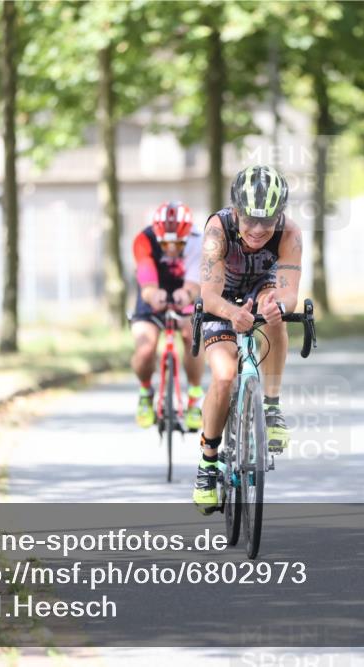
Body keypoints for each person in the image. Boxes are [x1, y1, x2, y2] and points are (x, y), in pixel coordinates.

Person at [192, 165, 303, 512]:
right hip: (222, 298)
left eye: (267, 221)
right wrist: (231, 314)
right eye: (250, 220)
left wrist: (278, 308)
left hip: (262, 288)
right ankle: (208, 465)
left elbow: (289, 294)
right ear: (236, 211)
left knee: (275, 316)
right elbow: (209, 296)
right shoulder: (217, 230)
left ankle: (270, 407)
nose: (258, 230)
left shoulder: (290, 234)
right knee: (224, 376)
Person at [130, 201, 205, 431]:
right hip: (154, 291)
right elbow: (147, 281)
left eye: (178, 243)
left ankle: (194, 397)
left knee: (191, 337)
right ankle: (145, 391)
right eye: (165, 243)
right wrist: (154, 295)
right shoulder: (144, 240)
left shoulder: (198, 241)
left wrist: (187, 294)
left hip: (185, 291)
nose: (172, 249)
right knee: (145, 348)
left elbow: (194, 283)